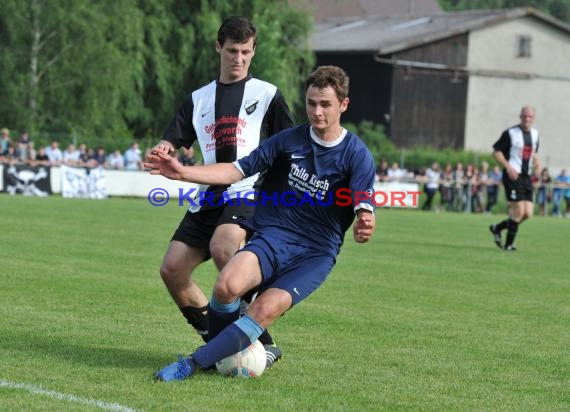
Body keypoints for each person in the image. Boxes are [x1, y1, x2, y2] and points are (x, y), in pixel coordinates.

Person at [145, 65, 376, 382]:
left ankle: (194, 363)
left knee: (264, 310)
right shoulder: (288, 140)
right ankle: (224, 352)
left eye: (326, 104)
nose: (317, 111)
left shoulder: (356, 155)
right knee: (226, 286)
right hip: (275, 237)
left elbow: (364, 200)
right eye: (311, 103)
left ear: (343, 105)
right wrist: (182, 173)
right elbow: (234, 171)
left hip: (315, 254)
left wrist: (365, 219)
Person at [148, 16, 294, 367]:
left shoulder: (268, 95)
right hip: (210, 193)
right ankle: (216, 342)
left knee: (224, 247)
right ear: (219, 48)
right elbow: (173, 138)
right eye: (232, 51)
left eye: (246, 52)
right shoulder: (198, 100)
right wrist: (162, 149)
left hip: (249, 189)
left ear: (253, 51)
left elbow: (290, 146)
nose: (239, 58)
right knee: (172, 270)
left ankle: (265, 341)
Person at [489, 105, 541, 251]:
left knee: (528, 213)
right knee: (518, 211)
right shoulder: (510, 133)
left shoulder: (535, 134)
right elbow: (496, 152)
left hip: (526, 177)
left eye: (529, 117)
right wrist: (508, 167)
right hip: (513, 175)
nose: (526, 119)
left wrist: (538, 164)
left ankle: (497, 228)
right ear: (520, 116)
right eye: (524, 116)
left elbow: (532, 153)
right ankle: (508, 245)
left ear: (533, 118)